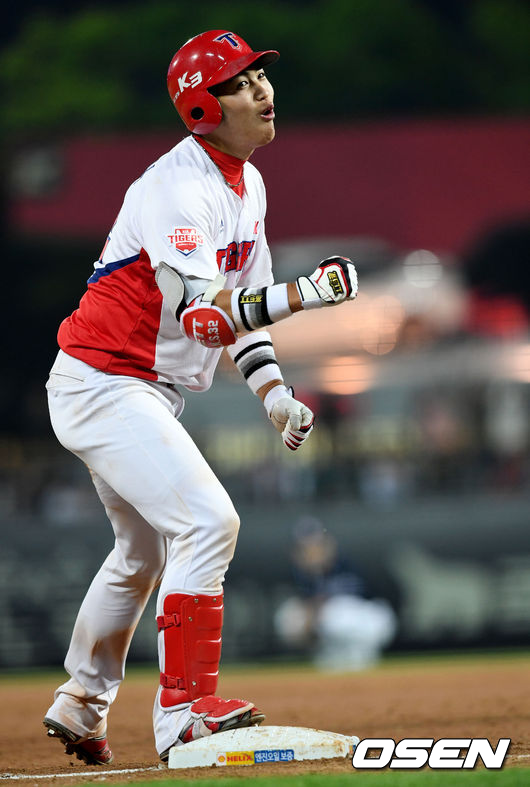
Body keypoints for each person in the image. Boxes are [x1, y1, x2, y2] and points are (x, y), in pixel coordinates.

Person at [43, 29, 358, 765]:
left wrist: (273, 392)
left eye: (259, 75)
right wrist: (307, 294)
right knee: (208, 522)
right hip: (105, 381)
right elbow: (206, 318)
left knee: (141, 551)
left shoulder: (247, 184)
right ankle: (183, 714)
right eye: (238, 82)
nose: (261, 89)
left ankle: (81, 701)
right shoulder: (177, 188)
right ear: (200, 108)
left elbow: (242, 316)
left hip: (130, 387)